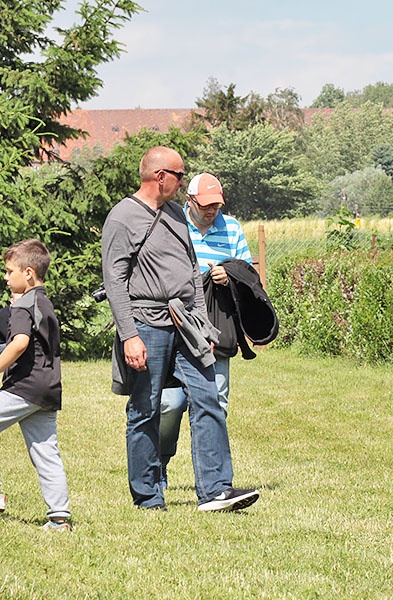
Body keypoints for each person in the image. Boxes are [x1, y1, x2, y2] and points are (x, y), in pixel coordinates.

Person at [101, 146, 258, 512]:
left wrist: (202, 322)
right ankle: (148, 497)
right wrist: (130, 335)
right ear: (160, 177)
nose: (183, 181)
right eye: (179, 175)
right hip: (146, 322)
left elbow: (190, 269)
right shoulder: (122, 218)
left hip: (187, 322)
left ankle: (217, 490)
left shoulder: (174, 213)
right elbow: (115, 281)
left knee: (208, 397)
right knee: (146, 408)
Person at [158, 173, 252, 488]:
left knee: (217, 402)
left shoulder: (233, 228)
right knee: (171, 403)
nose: (212, 211)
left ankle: (214, 480)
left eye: (216, 205)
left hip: (218, 325)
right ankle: (160, 460)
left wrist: (231, 276)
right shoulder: (173, 225)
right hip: (176, 325)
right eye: (206, 205)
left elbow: (250, 275)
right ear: (190, 201)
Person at [0, 240, 70, 531]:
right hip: (48, 386)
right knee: (46, 453)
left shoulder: (23, 304)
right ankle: (59, 519)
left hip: (26, 386)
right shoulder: (44, 302)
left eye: (10, 272)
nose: (6, 277)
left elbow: (19, 343)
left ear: (29, 273)